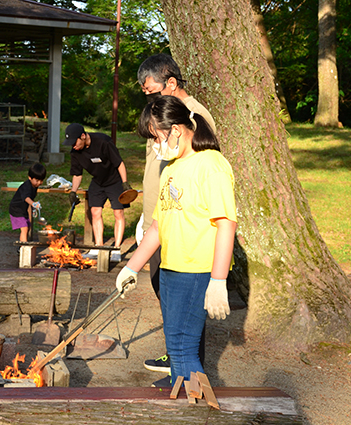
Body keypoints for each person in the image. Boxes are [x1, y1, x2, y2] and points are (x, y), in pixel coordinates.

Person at [115, 96, 236, 387]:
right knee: (174, 342)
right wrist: (131, 268)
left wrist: (218, 281)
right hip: (171, 268)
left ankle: (194, 403)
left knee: (184, 346)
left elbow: (226, 224)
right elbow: (157, 227)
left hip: (195, 272)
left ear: (177, 130)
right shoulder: (170, 168)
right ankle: (180, 387)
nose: (156, 146)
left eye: (157, 138)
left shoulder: (211, 165)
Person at [137, 53, 217, 374]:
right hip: (160, 219)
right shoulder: (160, 114)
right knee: (165, 291)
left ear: (171, 83)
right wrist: (146, 218)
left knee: (186, 300)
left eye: (153, 91)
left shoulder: (193, 117)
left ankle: (189, 369)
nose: (150, 98)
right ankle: (178, 359)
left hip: (181, 225)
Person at [64, 123, 132, 262]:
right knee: (95, 212)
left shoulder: (103, 142)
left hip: (114, 181)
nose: (73, 146)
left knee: (118, 213)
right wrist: (73, 192)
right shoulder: (75, 152)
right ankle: (99, 247)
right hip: (98, 182)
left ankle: (116, 250)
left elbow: (119, 163)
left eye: (74, 142)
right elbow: (77, 174)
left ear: (83, 136)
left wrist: (124, 183)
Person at [9, 163, 46, 243]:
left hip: (23, 210)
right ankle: (24, 247)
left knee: (28, 227)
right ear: (30, 178)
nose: (39, 183)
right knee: (24, 228)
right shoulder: (26, 186)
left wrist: (33, 209)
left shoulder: (35, 186)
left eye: (41, 180)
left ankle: (22, 246)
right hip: (16, 209)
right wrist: (33, 204)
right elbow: (26, 198)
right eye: (37, 180)